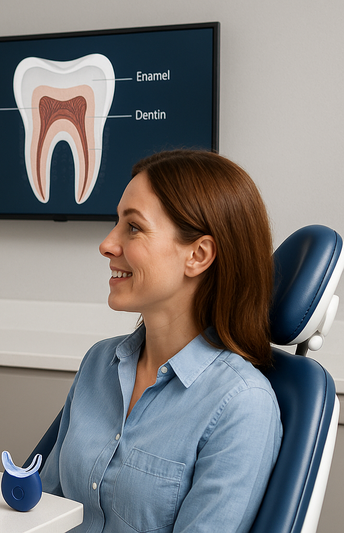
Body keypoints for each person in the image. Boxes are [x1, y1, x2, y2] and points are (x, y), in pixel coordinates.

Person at [40, 150, 282, 532]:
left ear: (198, 255)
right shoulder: (99, 363)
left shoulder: (242, 405)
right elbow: (45, 508)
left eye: (133, 228)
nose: (107, 244)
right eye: (116, 223)